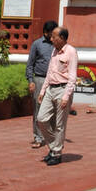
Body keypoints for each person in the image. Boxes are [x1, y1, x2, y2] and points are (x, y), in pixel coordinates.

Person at [37, 26, 78, 166]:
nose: (51, 39)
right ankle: (55, 147)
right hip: (50, 89)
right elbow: (49, 72)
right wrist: (42, 91)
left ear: (62, 38)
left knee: (60, 125)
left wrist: (66, 96)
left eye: (54, 37)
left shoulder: (71, 52)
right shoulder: (54, 51)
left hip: (63, 89)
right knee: (41, 119)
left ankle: (56, 153)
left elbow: (72, 76)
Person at [26, 19, 57, 149]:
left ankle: (51, 137)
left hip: (54, 81)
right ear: (46, 32)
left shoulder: (58, 45)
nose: (54, 35)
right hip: (39, 80)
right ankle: (38, 137)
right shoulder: (37, 44)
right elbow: (30, 64)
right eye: (52, 33)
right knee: (38, 110)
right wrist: (31, 81)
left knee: (54, 109)